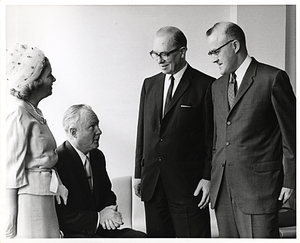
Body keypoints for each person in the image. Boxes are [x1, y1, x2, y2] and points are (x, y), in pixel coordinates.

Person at [205, 21, 296, 238]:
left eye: (216, 51)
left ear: (235, 45)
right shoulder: (216, 87)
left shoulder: (272, 79)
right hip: (223, 194)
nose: (213, 58)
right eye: (210, 52)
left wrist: (290, 181)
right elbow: (219, 138)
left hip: (259, 191)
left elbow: (293, 136)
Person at [134, 26, 215, 238]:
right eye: (155, 54)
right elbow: (143, 132)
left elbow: (211, 138)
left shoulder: (206, 85)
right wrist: (138, 174)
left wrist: (208, 177)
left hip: (188, 187)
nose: (159, 60)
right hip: (153, 185)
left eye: (165, 54)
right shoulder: (149, 85)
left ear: (182, 51)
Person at [55, 104, 147, 238]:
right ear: (73, 132)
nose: (99, 131)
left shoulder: (97, 156)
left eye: (97, 125)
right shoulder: (58, 161)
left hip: (101, 230)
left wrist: (109, 211)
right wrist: (99, 217)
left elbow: (107, 193)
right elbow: (62, 214)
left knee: (141, 238)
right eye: (92, 127)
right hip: (76, 233)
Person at [6, 43, 68, 238]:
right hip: (30, 200)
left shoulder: (34, 112)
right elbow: (11, 169)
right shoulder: (18, 113)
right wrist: (11, 216)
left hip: (44, 196)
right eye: (49, 75)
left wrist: (58, 185)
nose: (54, 79)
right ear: (34, 81)